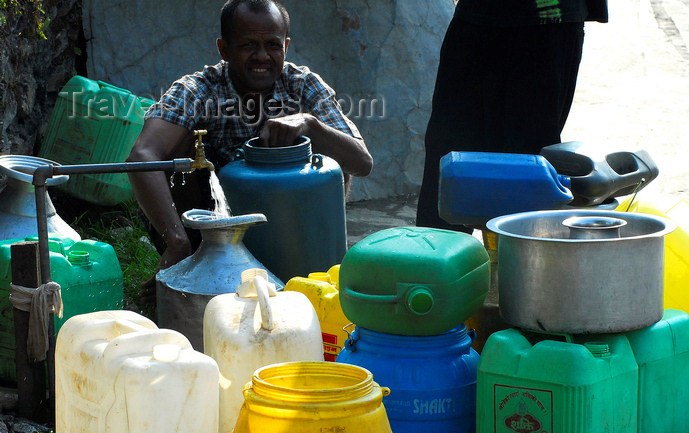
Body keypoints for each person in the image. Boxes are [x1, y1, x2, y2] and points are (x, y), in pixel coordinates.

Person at [127, 0, 373, 286]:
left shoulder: (302, 85)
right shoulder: (197, 89)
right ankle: (193, 262)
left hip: (293, 226)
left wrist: (310, 124)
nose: (261, 56)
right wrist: (177, 241)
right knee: (182, 147)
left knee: (331, 156)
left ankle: (316, 258)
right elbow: (142, 156)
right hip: (213, 231)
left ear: (286, 46)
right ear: (224, 49)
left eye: (272, 45)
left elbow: (362, 162)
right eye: (247, 46)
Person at [416, 0, 608, 232]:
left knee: (528, 161)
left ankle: (524, 261)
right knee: (450, 151)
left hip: (547, 18)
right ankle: (439, 257)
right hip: (478, 17)